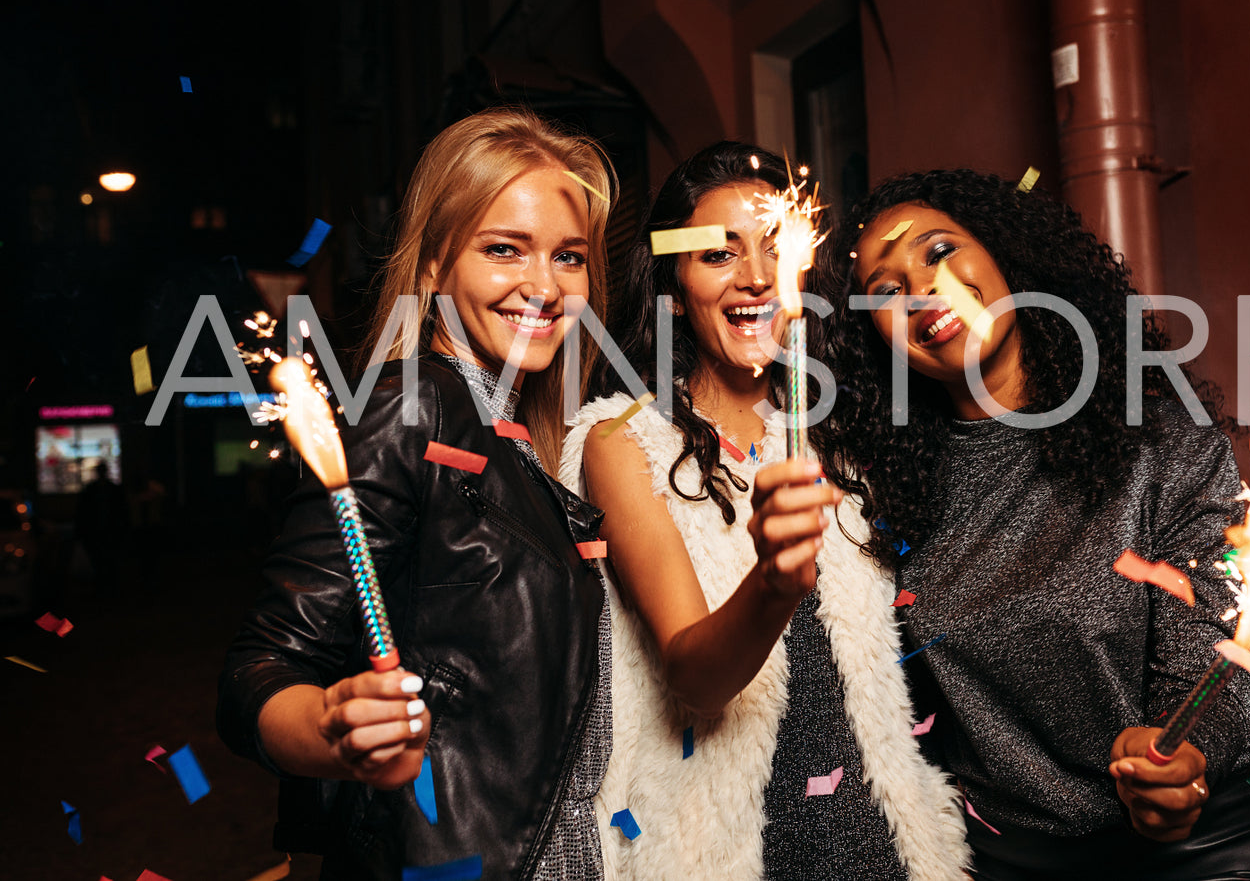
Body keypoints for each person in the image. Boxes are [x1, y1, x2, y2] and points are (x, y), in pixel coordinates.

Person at [810, 169, 1250, 881]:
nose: (919, 289)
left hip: (1196, 853)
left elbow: (1208, 646)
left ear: (1008, 254)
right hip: (1004, 860)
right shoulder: (881, 496)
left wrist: (1182, 754)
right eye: (884, 291)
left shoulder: (1163, 445)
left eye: (939, 250)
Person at [218, 107, 616, 880]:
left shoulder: (515, 437)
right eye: (504, 249)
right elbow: (256, 672)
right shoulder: (410, 409)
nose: (543, 284)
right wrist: (335, 727)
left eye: (568, 256)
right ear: (434, 265)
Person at [561, 142, 968, 880]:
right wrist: (772, 582)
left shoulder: (846, 430)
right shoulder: (622, 440)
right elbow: (696, 677)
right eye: (718, 256)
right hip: (724, 854)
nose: (754, 276)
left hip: (882, 845)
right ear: (675, 289)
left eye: (773, 250)